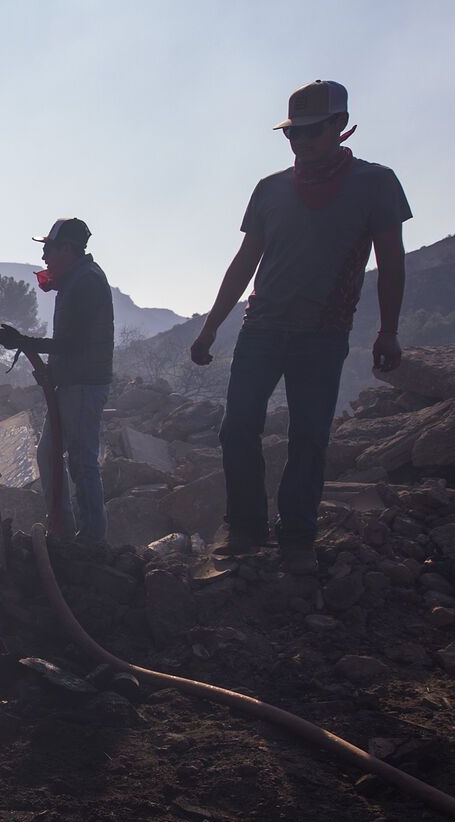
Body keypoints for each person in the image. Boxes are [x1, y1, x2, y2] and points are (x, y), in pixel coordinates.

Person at [190, 80, 410, 572]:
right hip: (261, 328)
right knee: (237, 428)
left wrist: (388, 331)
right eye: (292, 133)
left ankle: (296, 536)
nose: (300, 141)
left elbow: (391, 262)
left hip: (324, 333)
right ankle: (244, 527)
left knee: (309, 435)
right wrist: (210, 328)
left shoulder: (376, 183)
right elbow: (244, 262)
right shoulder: (271, 189)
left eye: (311, 131)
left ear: (339, 126)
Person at [1, 218, 114, 544]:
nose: (44, 257)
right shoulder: (75, 280)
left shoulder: (86, 282)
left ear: (67, 248)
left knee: (81, 461)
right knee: (48, 455)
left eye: (49, 248)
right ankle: (63, 530)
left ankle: (92, 539)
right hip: (72, 383)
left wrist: (24, 342)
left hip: (83, 385)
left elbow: (73, 343)